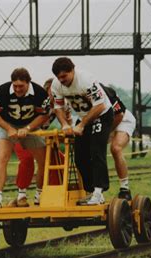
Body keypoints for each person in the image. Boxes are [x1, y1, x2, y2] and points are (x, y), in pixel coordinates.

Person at [51, 57, 114, 205]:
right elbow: (58, 107)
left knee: (96, 151)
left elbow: (100, 106)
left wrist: (82, 125)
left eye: (64, 76)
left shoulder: (86, 80)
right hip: (83, 116)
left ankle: (99, 191)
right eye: (59, 77)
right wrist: (65, 124)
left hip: (101, 115)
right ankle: (92, 191)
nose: (62, 80)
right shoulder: (56, 85)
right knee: (80, 156)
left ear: (72, 70)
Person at [0, 67, 50, 208]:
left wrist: (28, 128)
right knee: (2, 156)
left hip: (30, 125)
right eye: (15, 86)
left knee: (43, 160)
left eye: (21, 86)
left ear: (28, 83)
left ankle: (39, 193)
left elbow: (44, 114)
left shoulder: (40, 93)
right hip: (7, 124)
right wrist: (9, 128)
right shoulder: (2, 91)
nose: (17, 89)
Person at [103, 84, 136, 201]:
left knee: (115, 148)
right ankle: (93, 189)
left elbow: (119, 116)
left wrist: (107, 133)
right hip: (105, 122)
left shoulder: (104, 92)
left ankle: (125, 188)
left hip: (122, 120)